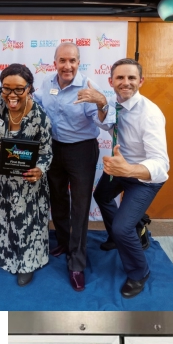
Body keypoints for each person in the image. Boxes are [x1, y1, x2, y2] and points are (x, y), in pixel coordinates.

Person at [0, 65, 54, 286]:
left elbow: (46, 153)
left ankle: (27, 264)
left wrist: (40, 169)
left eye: (19, 89)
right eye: (7, 88)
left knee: (24, 222)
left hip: (26, 181)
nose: (12, 95)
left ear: (29, 88)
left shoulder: (39, 117)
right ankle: (1, 257)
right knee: (0, 217)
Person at [93, 58, 169, 300]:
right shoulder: (117, 104)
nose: (125, 82)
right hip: (121, 169)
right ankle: (127, 233)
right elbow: (109, 127)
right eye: (120, 78)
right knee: (101, 195)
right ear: (111, 81)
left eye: (131, 78)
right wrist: (102, 107)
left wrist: (128, 170)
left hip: (144, 178)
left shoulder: (150, 114)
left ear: (141, 81)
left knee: (122, 227)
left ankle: (139, 272)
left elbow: (161, 165)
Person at [35, 42, 108, 292]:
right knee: (57, 199)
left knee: (79, 206)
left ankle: (76, 263)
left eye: (73, 61)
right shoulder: (47, 83)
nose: (68, 66)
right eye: (63, 60)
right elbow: (33, 104)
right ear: (54, 62)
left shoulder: (88, 87)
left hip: (81, 150)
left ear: (79, 63)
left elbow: (106, 123)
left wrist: (102, 104)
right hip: (53, 149)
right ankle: (64, 242)